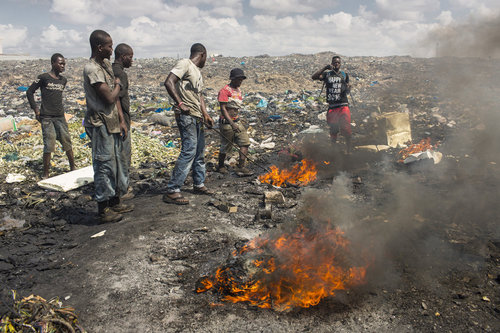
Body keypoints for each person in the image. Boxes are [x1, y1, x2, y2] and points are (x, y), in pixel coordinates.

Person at [83, 30, 133, 224]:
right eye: (109, 46)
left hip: (112, 122)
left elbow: (115, 102)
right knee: (104, 165)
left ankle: (115, 201)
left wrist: (121, 120)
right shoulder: (92, 69)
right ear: (99, 47)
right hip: (100, 123)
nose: (112, 50)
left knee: (116, 164)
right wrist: (119, 85)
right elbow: (110, 97)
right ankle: (103, 209)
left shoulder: (104, 66)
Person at [163, 43, 214, 205]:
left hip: (197, 117)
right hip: (186, 116)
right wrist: (180, 104)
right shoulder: (185, 63)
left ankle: (199, 183)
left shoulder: (197, 72)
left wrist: (205, 114)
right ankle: (173, 189)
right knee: (189, 151)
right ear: (203, 54)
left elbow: (199, 96)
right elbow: (169, 82)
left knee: (199, 151)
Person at [26, 53, 75, 179]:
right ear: (53, 63)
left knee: (66, 141)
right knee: (49, 144)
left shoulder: (63, 80)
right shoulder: (43, 77)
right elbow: (30, 91)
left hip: (60, 116)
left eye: (64, 63)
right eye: (60, 63)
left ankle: (73, 167)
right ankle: (45, 173)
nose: (63, 66)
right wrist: (36, 110)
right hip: (47, 117)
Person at [312, 55, 353, 153]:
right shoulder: (327, 74)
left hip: (343, 105)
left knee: (346, 129)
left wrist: (349, 88)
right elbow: (314, 77)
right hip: (332, 107)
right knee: (333, 130)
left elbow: (347, 91)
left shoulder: (344, 74)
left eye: (338, 62)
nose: (336, 64)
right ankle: (334, 151)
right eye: (335, 62)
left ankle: (349, 150)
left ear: (340, 64)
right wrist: (325, 68)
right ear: (332, 63)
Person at [217, 68, 253, 177]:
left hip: (236, 121)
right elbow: (223, 109)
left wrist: (235, 122)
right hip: (227, 123)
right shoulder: (225, 91)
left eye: (241, 80)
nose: (240, 82)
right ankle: (221, 166)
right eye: (238, 79)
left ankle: (241, 167)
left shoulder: (238, 90)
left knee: (245, 143)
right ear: (232, 79)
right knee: (226, 146)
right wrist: (232, 124)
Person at [112, 43, 134, 200]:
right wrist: (123, 121)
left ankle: (118, 187)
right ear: (123, 57)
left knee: (118, 155)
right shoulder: (120, 73)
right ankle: (123, 190)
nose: (132, 61)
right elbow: (117, 98)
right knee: (124, 155)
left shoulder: (110, 70)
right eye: (131, 57)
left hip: (113, 120)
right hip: (121, 120)